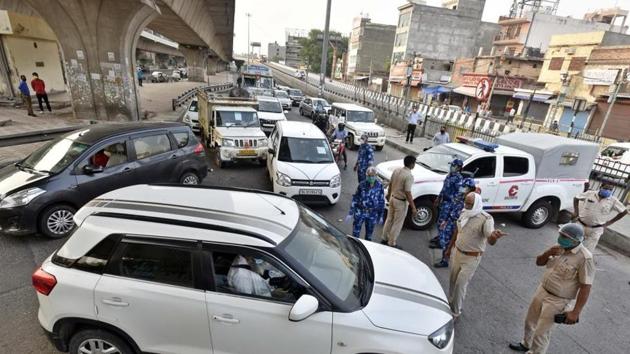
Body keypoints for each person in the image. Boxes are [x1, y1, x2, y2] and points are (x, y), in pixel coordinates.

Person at [509, 223, 594, 354]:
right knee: (529, 321)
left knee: (541, 333)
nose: (560, 238)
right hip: (542, 290)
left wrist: (575, 312)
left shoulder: (585, 258)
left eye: (564, 236)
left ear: (575, 240)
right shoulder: (559, 248)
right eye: (560, 234)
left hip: (558, 300)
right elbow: (539, 262)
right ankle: (526, 344)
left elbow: (585, 287)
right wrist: (548, 252)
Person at [445, 192, 506, 318]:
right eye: (465, 202)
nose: (466, 205)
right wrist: (449, 247)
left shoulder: (486, 219)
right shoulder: (464, 213)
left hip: (471, 258)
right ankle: (449, 304)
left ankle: (456, 312)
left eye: (469, 203)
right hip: (457, 252)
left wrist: (495, 237)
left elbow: (490, 239)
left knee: (460, 284)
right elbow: (458, 231)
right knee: (452, 280)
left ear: (477, 204)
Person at [432, 172, 476, 269]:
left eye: (465, 187)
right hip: (451, 221)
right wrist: (446, 220)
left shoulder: (471, 201)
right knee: (445, 241)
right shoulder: (459, 196)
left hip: (458, 225)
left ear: (470, 189)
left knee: (451, 243)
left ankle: (445, 260)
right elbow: (452, 208)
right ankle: (445, 258)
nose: (462, 188)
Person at [572, 182, 627, 253]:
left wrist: (610, 222)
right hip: (581, 224)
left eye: (610, 189)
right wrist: (576, 212)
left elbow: (624, 211)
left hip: (596, 229)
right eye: (606, 188)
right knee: (572, 246)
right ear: (601, 187)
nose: (608, 191)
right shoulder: (590, 194)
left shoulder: (613, 201)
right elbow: (576, 198)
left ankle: (582, 263)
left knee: (587, 252)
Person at [381, 155, 417, 249]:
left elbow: (391, 183)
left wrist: (389, 195)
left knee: (389, 219)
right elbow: (408, 192)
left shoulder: (396, 171)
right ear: (412, 164)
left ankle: (384, 238)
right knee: (397, 223)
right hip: (401, 202)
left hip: (393, 198)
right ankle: (392, 242)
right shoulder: (409, 176)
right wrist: (413, 207)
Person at [347, 167, 385, 241]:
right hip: (360, 211)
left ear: (376, 176)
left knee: (369, 235)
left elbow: (381, 200)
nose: (371, 178)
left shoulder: (379, 186)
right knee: (355, 234)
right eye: (369, 176)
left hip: (372, 213)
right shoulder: (362, 185)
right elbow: (355, 198)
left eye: (373, 176)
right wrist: (351, 212)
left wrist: (381, 215)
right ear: (366, 176)